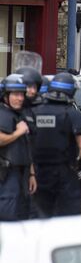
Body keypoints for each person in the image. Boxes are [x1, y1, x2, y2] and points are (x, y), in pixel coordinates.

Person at [32, 72, 81, 217]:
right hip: (64, 173)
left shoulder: (35, 112)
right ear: (71, 91)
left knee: (40, 216)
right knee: (68, 218)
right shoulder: (74, 115)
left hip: (38, 173)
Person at [0, 75, 36, 220]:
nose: (20, 98)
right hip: (6, 176)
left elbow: (27, 146)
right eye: (15, 94)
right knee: (8, 219)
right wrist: (18, 132)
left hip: (21, 175)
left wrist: (32, 174)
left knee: (21, 218)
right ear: (5, 95)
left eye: (21, 94)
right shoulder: (3, 115)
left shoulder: (18, 114)